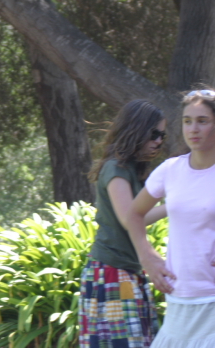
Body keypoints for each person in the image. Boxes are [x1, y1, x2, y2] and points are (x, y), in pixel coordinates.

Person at [126, 88, 215, 348]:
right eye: (187, 121)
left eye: (202, 121)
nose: (193, 129)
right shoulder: (170, 170)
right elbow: (134, 213)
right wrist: (147, 257)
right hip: (179, 300)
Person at [78, 99, 168, 348]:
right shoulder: (116, 169)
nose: (159, 141)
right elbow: (130, 219)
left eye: (162, 135)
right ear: (136, 129)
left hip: (127, 272)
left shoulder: (131, 170)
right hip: (112, 274)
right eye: (154, 134)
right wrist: (173, 206)